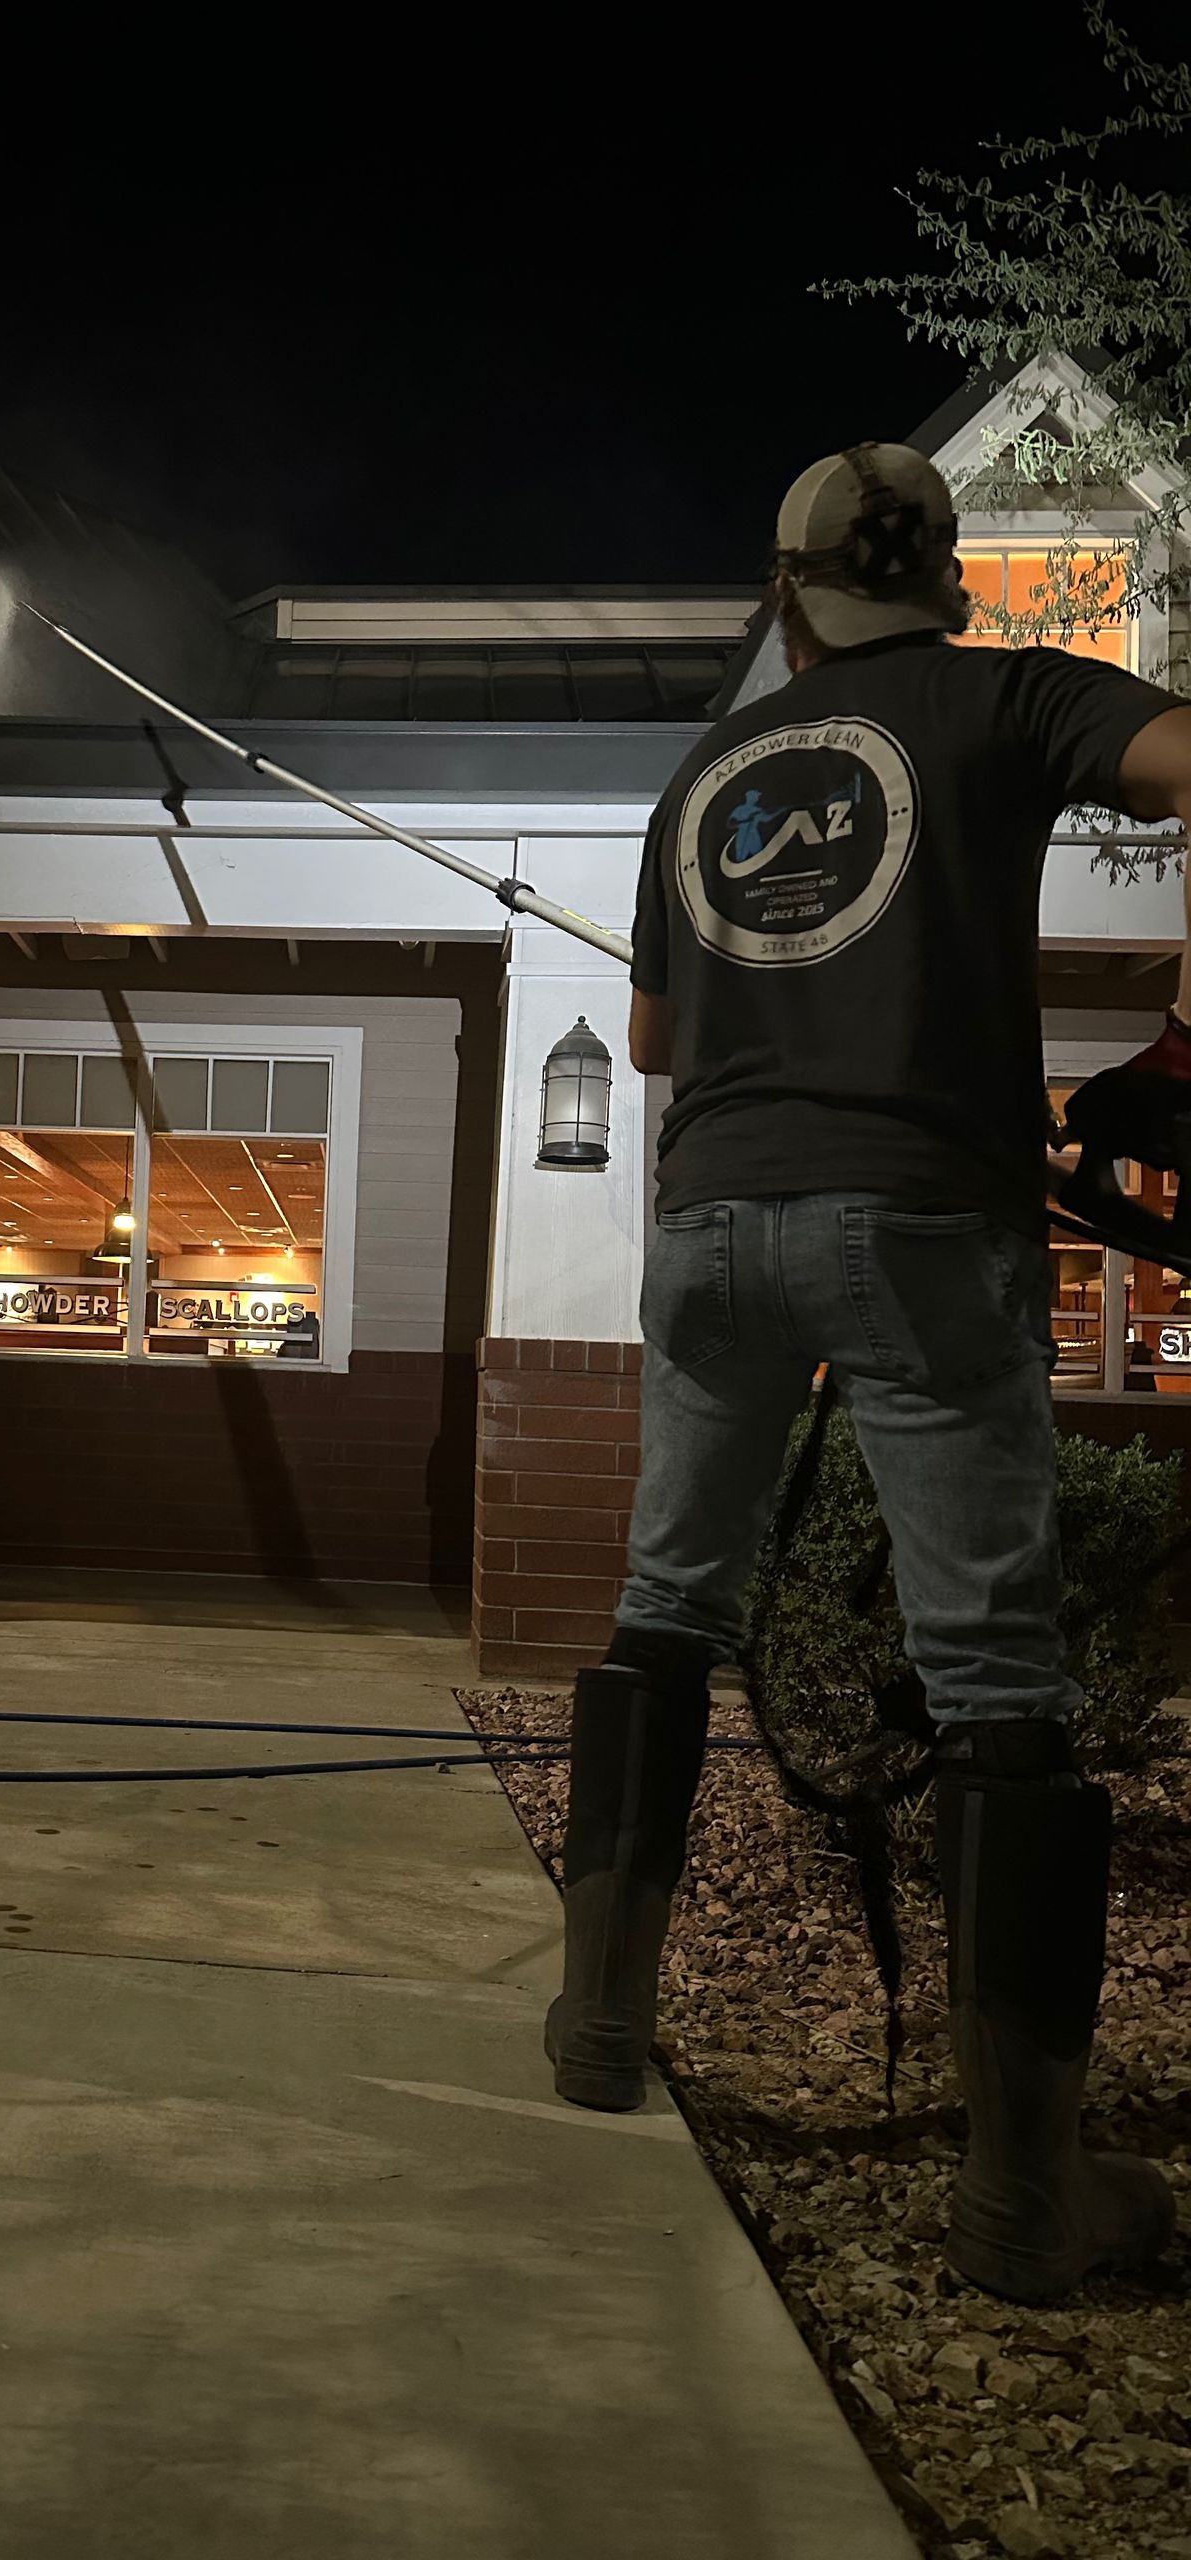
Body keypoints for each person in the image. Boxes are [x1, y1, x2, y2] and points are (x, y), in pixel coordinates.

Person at [544, 441, 1191, 2305]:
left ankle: (601, 2028)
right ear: (947, 579)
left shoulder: (710, 773)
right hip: (916, 1218)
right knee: (996, 1678)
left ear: (790, 595)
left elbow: (651, 1037)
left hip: (712, 1224)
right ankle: (1021, 2194)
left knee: (668, 1608)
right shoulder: (1009, 698)